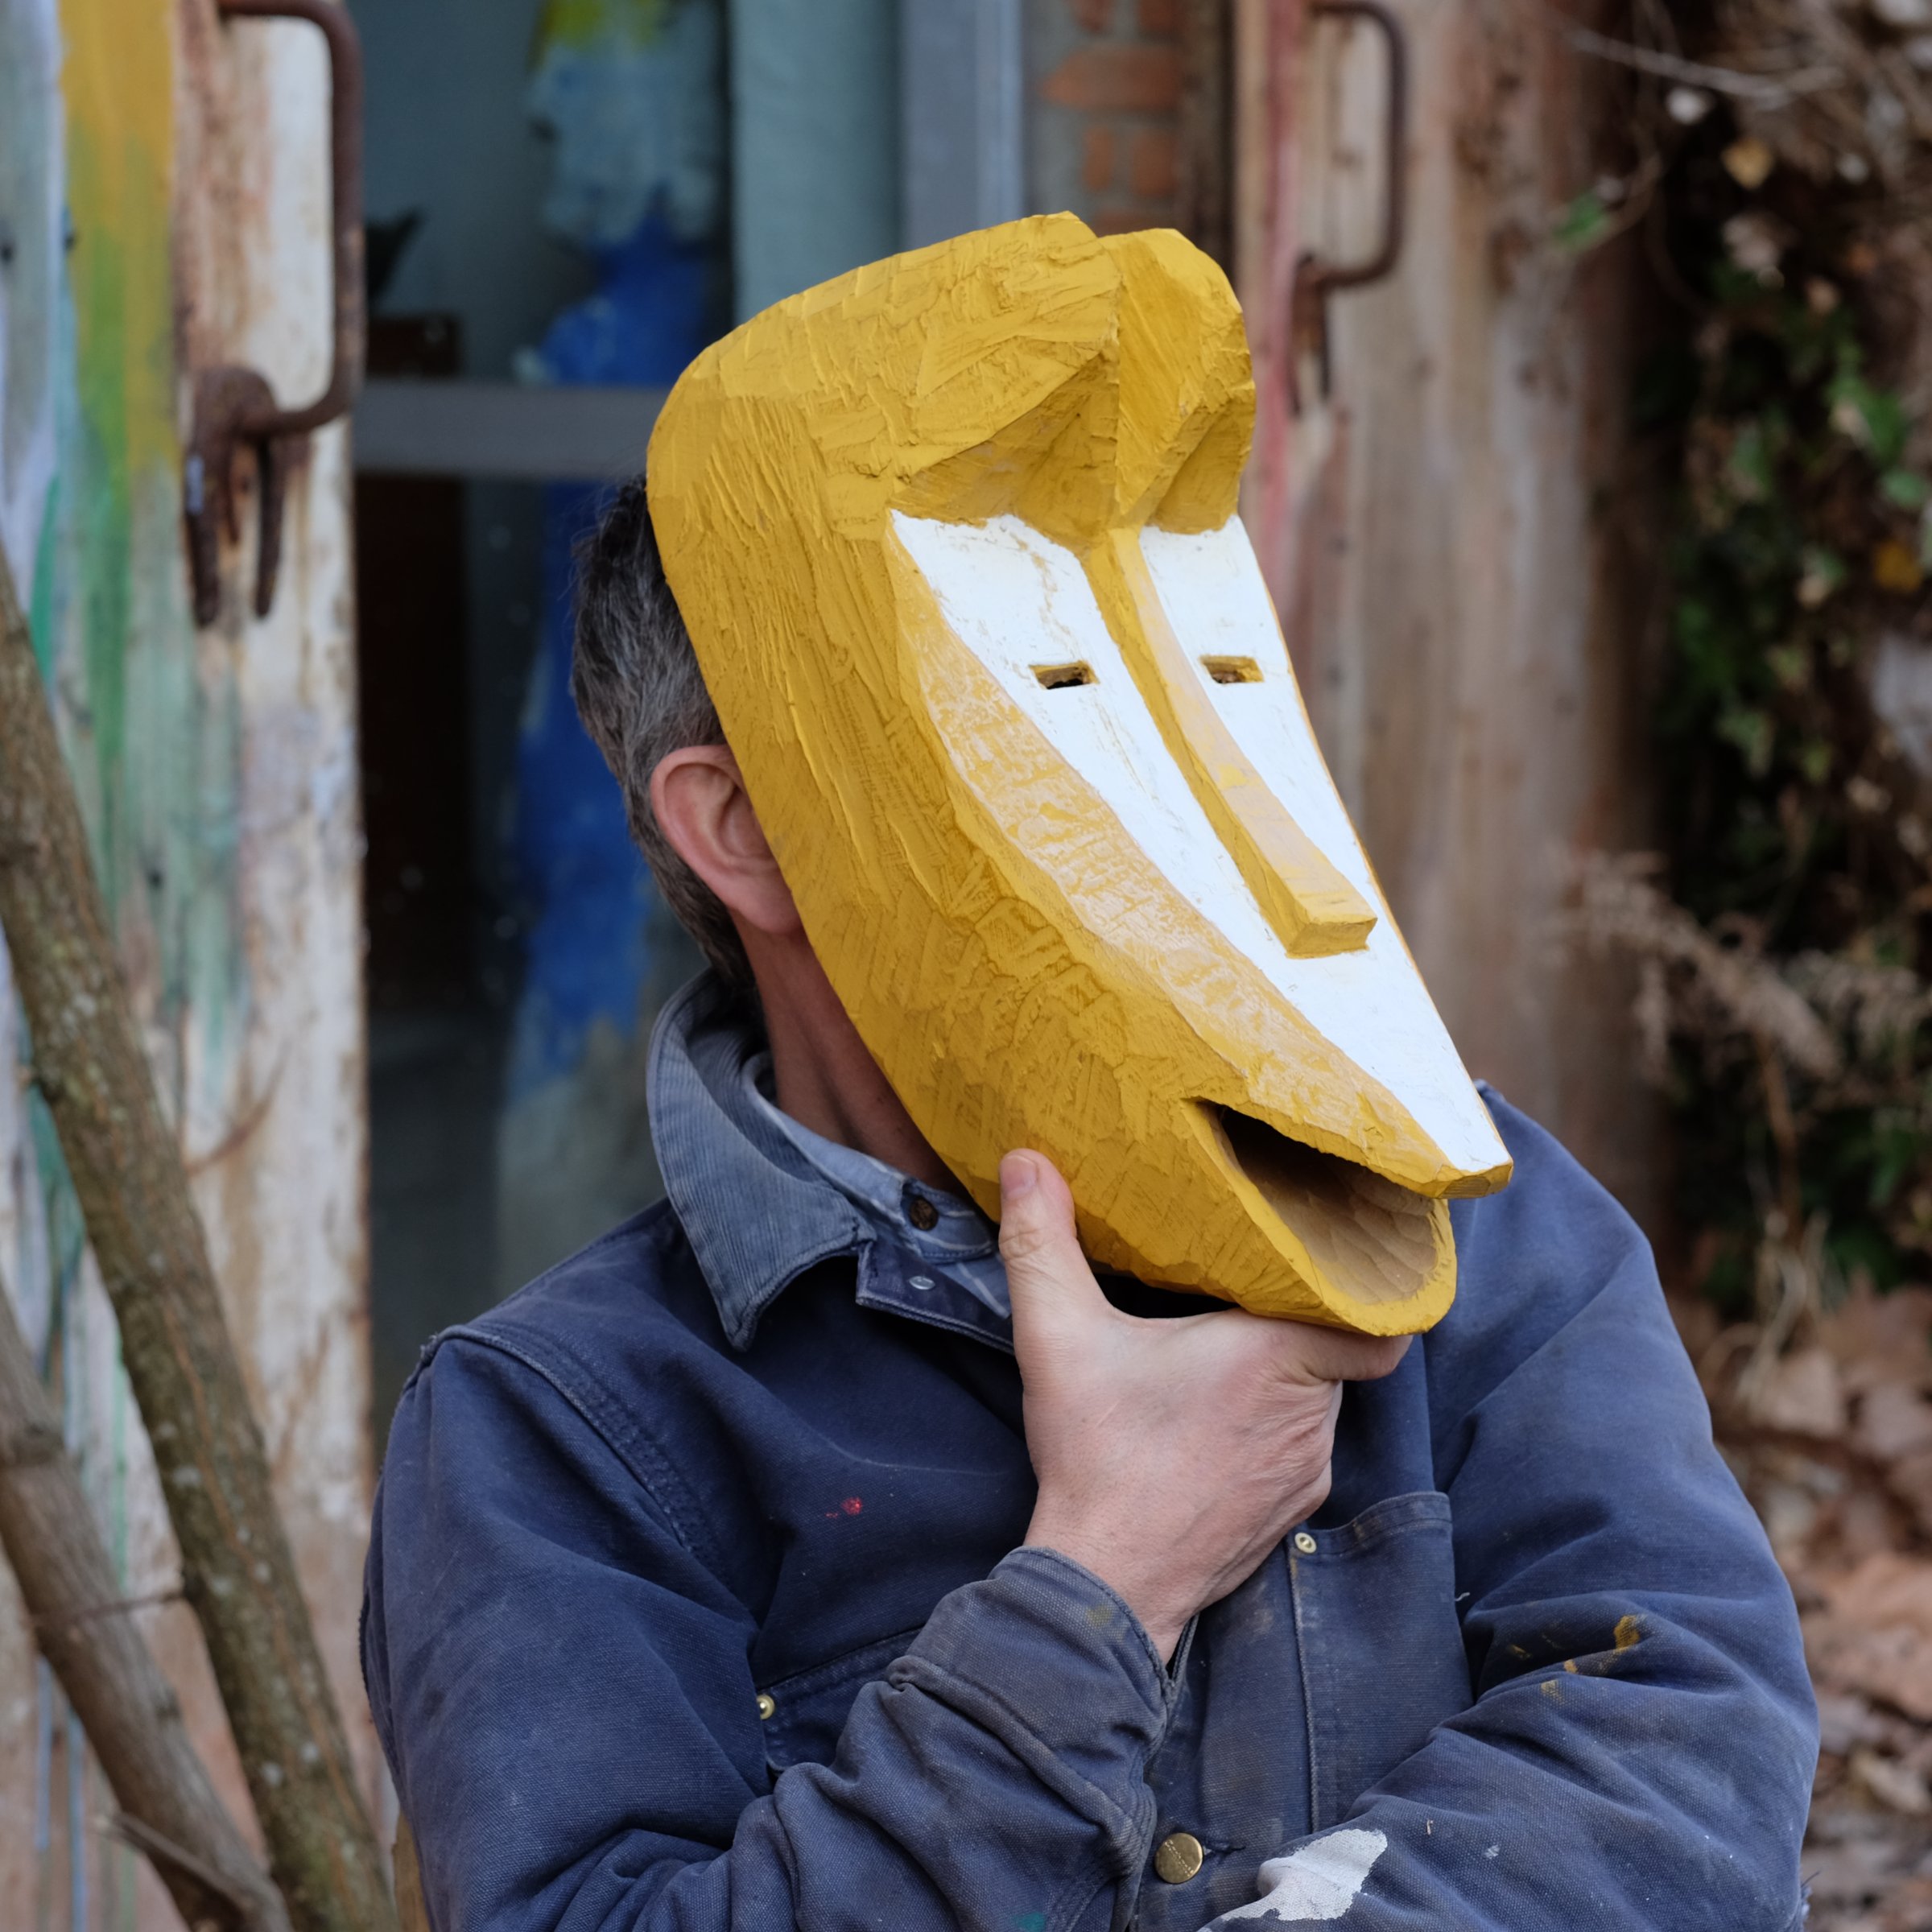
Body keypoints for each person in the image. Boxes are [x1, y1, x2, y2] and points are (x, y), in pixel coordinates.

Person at [363, 269, 1818, 1928]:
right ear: (752, 835)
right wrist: (1105, 1579)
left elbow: (1691, 1771)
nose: (1228, 827)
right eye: (1060, 696)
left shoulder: (1466, 1224)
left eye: (1202, 678)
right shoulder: (555, 1434)